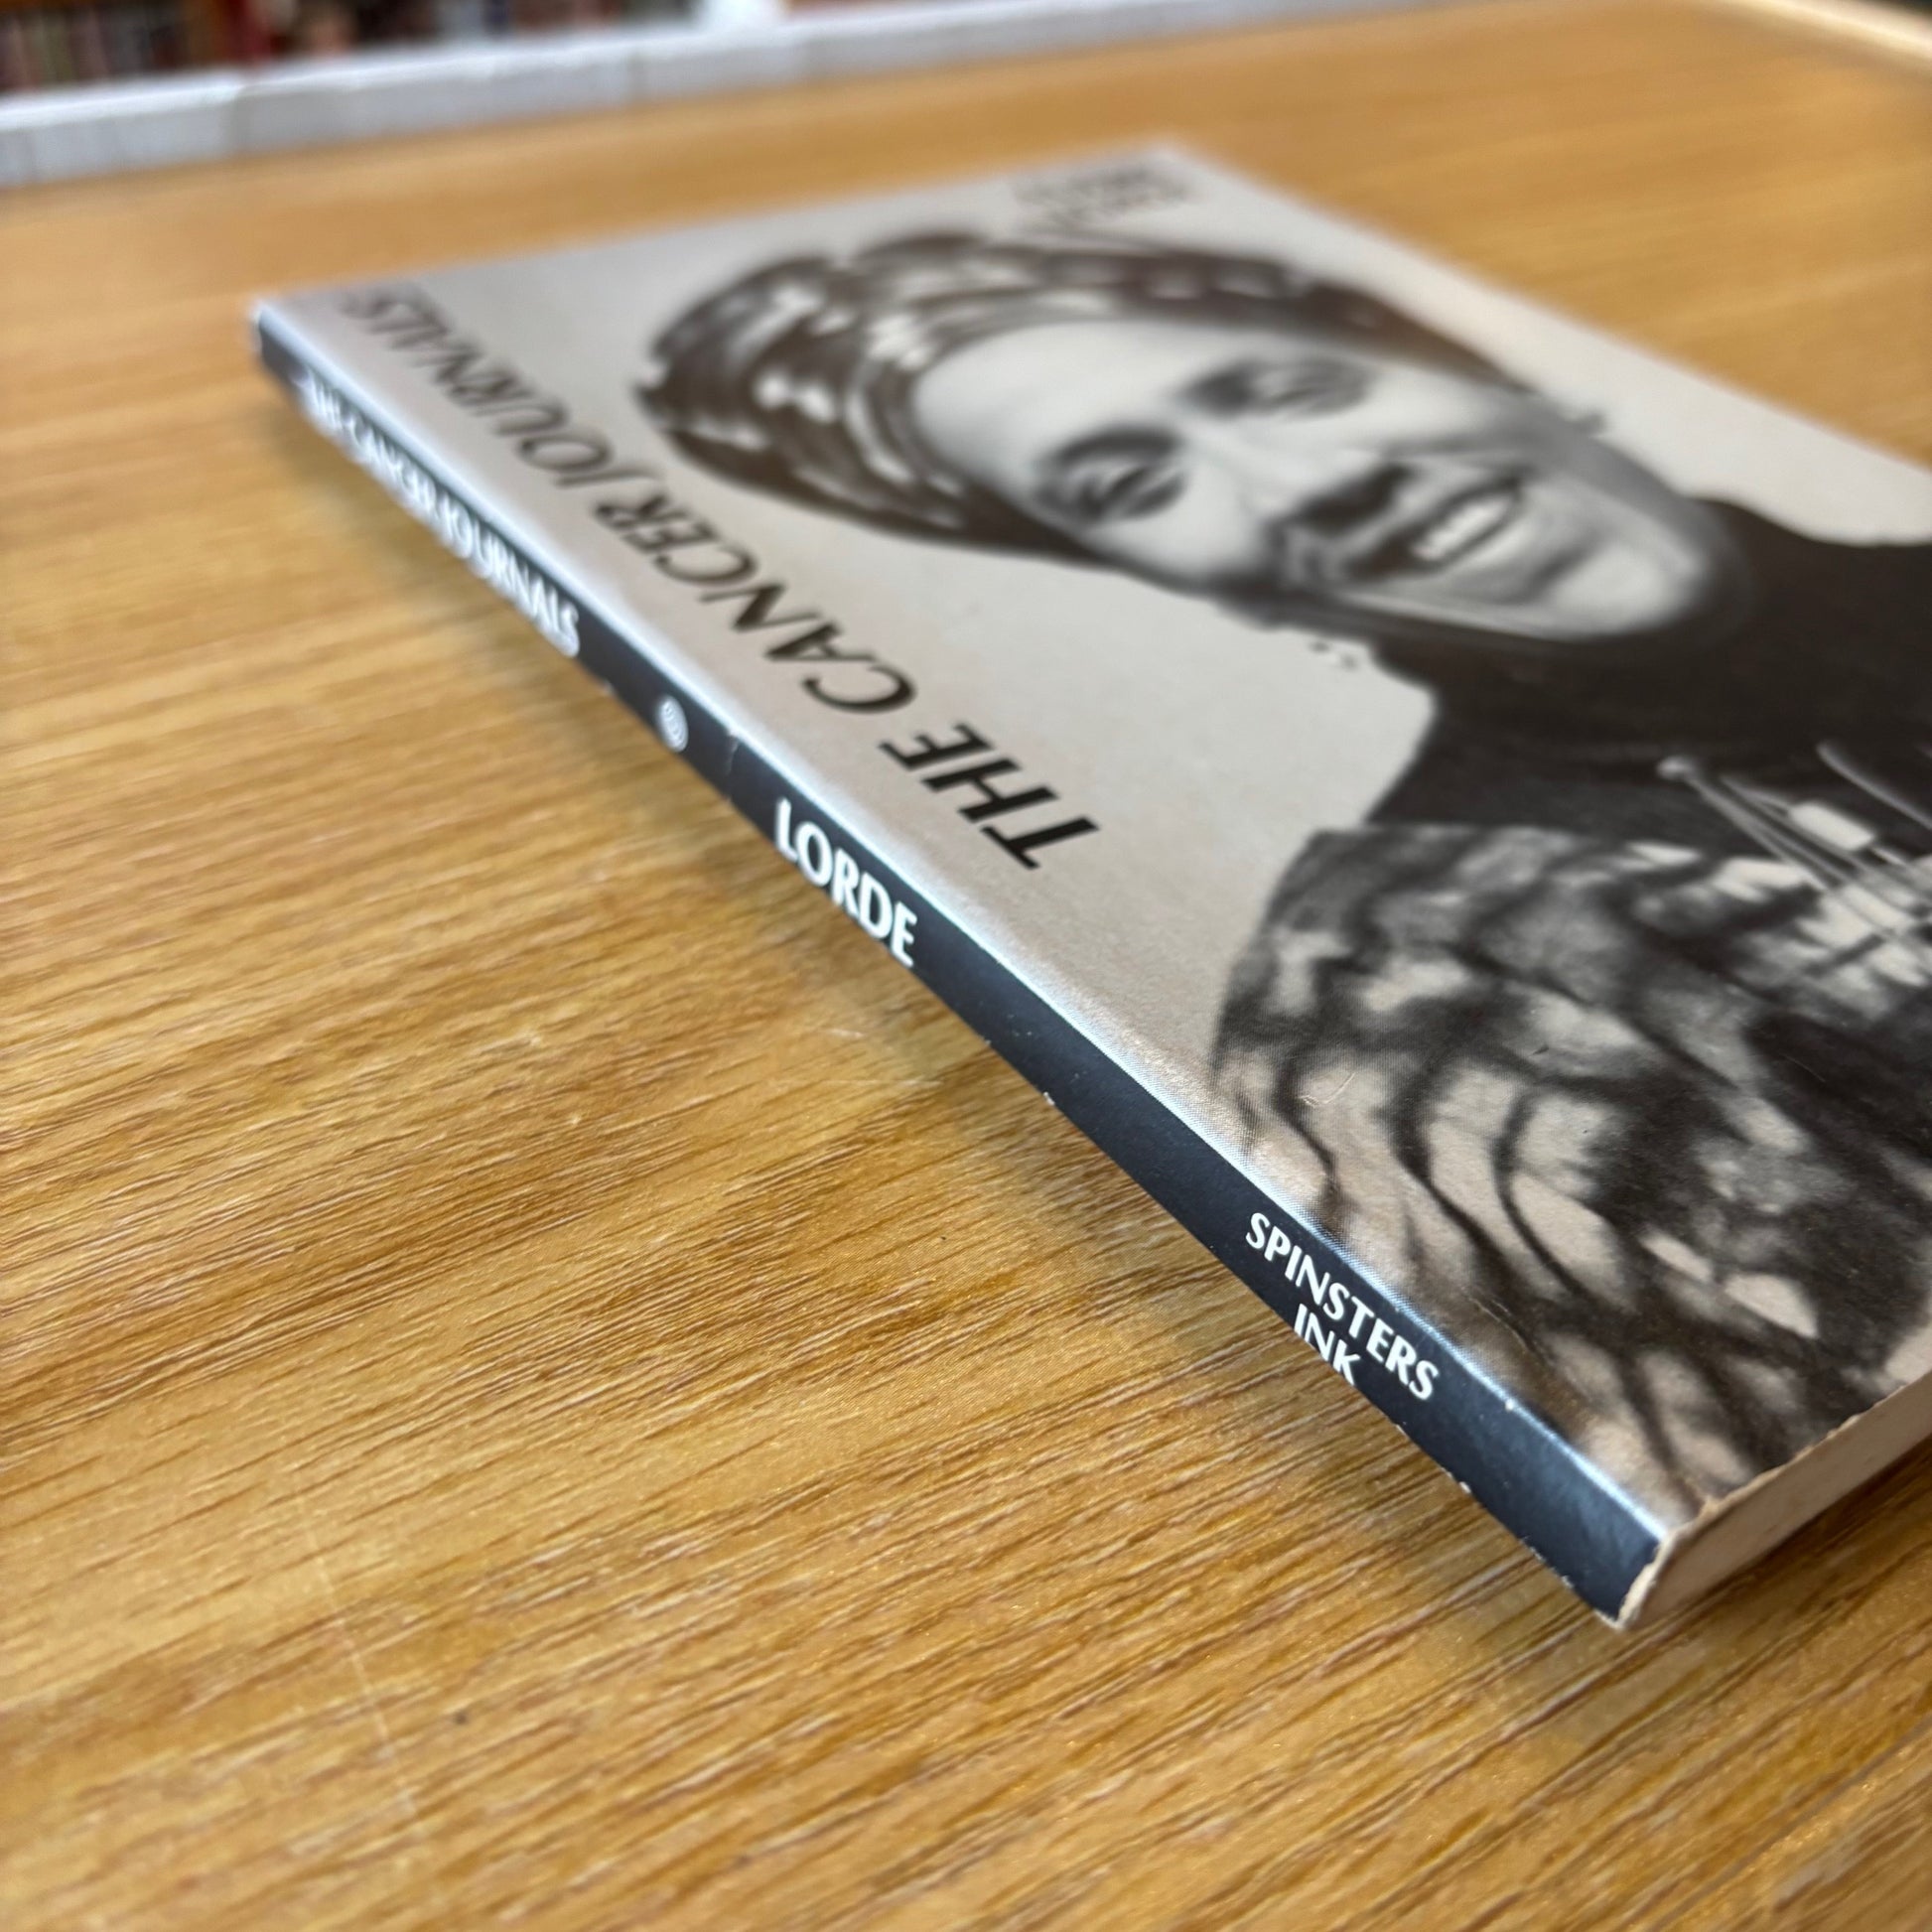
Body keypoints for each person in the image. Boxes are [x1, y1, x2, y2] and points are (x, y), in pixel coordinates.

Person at [640, 230, 1932, 1516]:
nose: (1312, 482)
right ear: (1153, 574)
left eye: (1293, 390)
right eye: (1130, 486)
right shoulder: (1417, 1002)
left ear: (1467, 361)